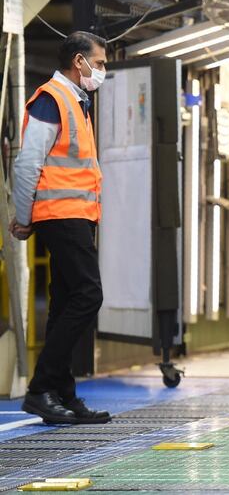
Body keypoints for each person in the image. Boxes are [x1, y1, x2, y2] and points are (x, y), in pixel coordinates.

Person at [10, 32, 109, 425]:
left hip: (76, 216)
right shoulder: (53, 98)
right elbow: (27, 161)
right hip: (60, 215)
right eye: (99, 63)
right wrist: (24, 216)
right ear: (79, 61)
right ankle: (40, 389)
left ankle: (62, 393)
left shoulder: (77, 102)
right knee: (89, 294)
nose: (102, 70)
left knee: (66, 302)